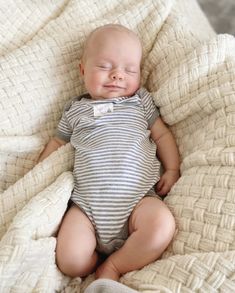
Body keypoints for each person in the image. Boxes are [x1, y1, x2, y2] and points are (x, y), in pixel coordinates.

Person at [38, 24, 180, 282]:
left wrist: (172, 168)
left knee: (161, 225)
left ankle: (114, 265)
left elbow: (162, 135)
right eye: (104, 67)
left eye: (129, 69)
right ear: (82, 69)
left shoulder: (140, 101)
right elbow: (57, 143)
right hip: (87, 210)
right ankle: (92, 262)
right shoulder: (74, 110)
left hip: (137, 202)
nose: (117, 75)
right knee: (70, 260)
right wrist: (38, 172)